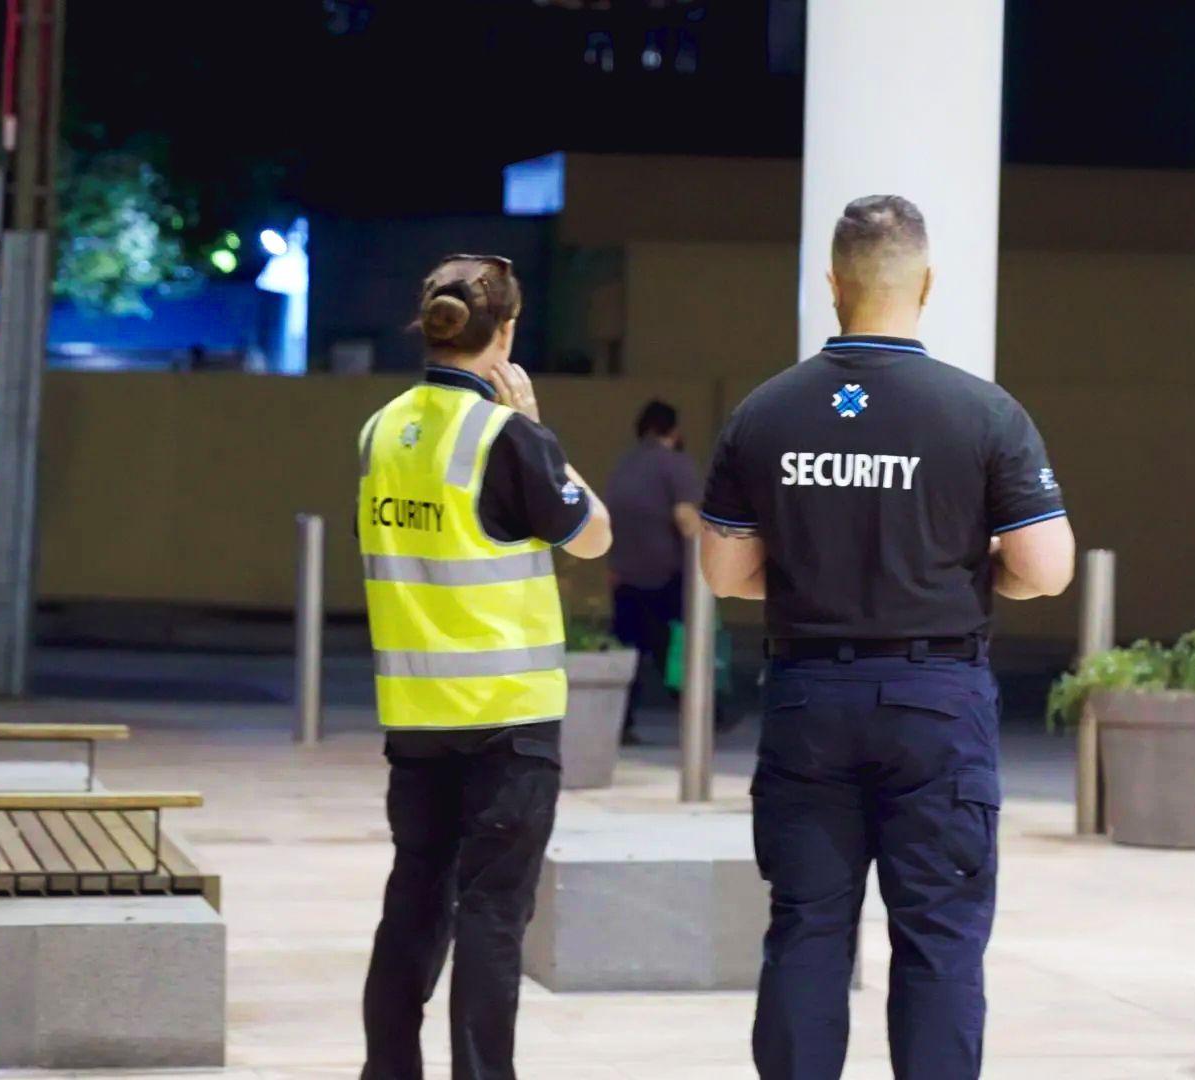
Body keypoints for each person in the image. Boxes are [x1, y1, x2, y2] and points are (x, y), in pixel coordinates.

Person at [698, 196, 1075, 1080]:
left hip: (808, 702)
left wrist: (815, 574)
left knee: (807, 928)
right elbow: (1047, 568)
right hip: (936, 704)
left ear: (831, 283)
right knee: (939, 937)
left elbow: (725, 573)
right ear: (927, 283)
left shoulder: (765, 413)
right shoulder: (984, 414)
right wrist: (970, 573)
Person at [356, 254, 613, 1080]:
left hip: (416, 716)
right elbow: (594, 533)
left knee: (413, 901)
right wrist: (534, 424)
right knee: (492, 918)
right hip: (507, 720)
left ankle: (387, 1071)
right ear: (506, 333)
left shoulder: (379, 430)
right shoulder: (506, 438)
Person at [603, 399, 701, 741]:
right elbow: (686, 519)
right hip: (667, 575)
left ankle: (621, 722)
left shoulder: (624, 465)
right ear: (674, 429)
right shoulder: (675, 465)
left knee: (630, 650)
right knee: (678, 649)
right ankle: (705, 714)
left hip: (625, 574)